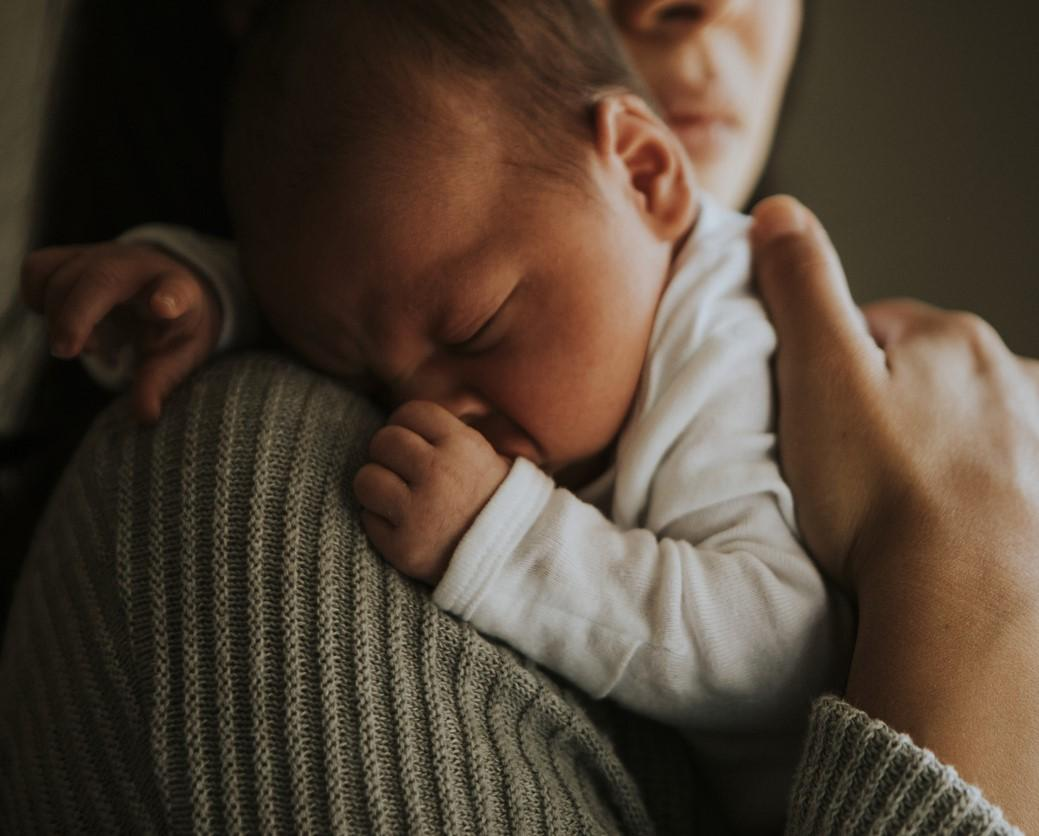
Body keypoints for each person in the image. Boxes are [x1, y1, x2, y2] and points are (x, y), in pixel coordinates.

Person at [2, 2, 1037, 833]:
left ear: (642, 171)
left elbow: (770, 644)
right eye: (355, 373)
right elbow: (386, 279)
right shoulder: (530, 261)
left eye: (481, 326)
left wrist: (511, 539)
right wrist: (212, 294)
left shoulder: (718, 366)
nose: (424, 407)